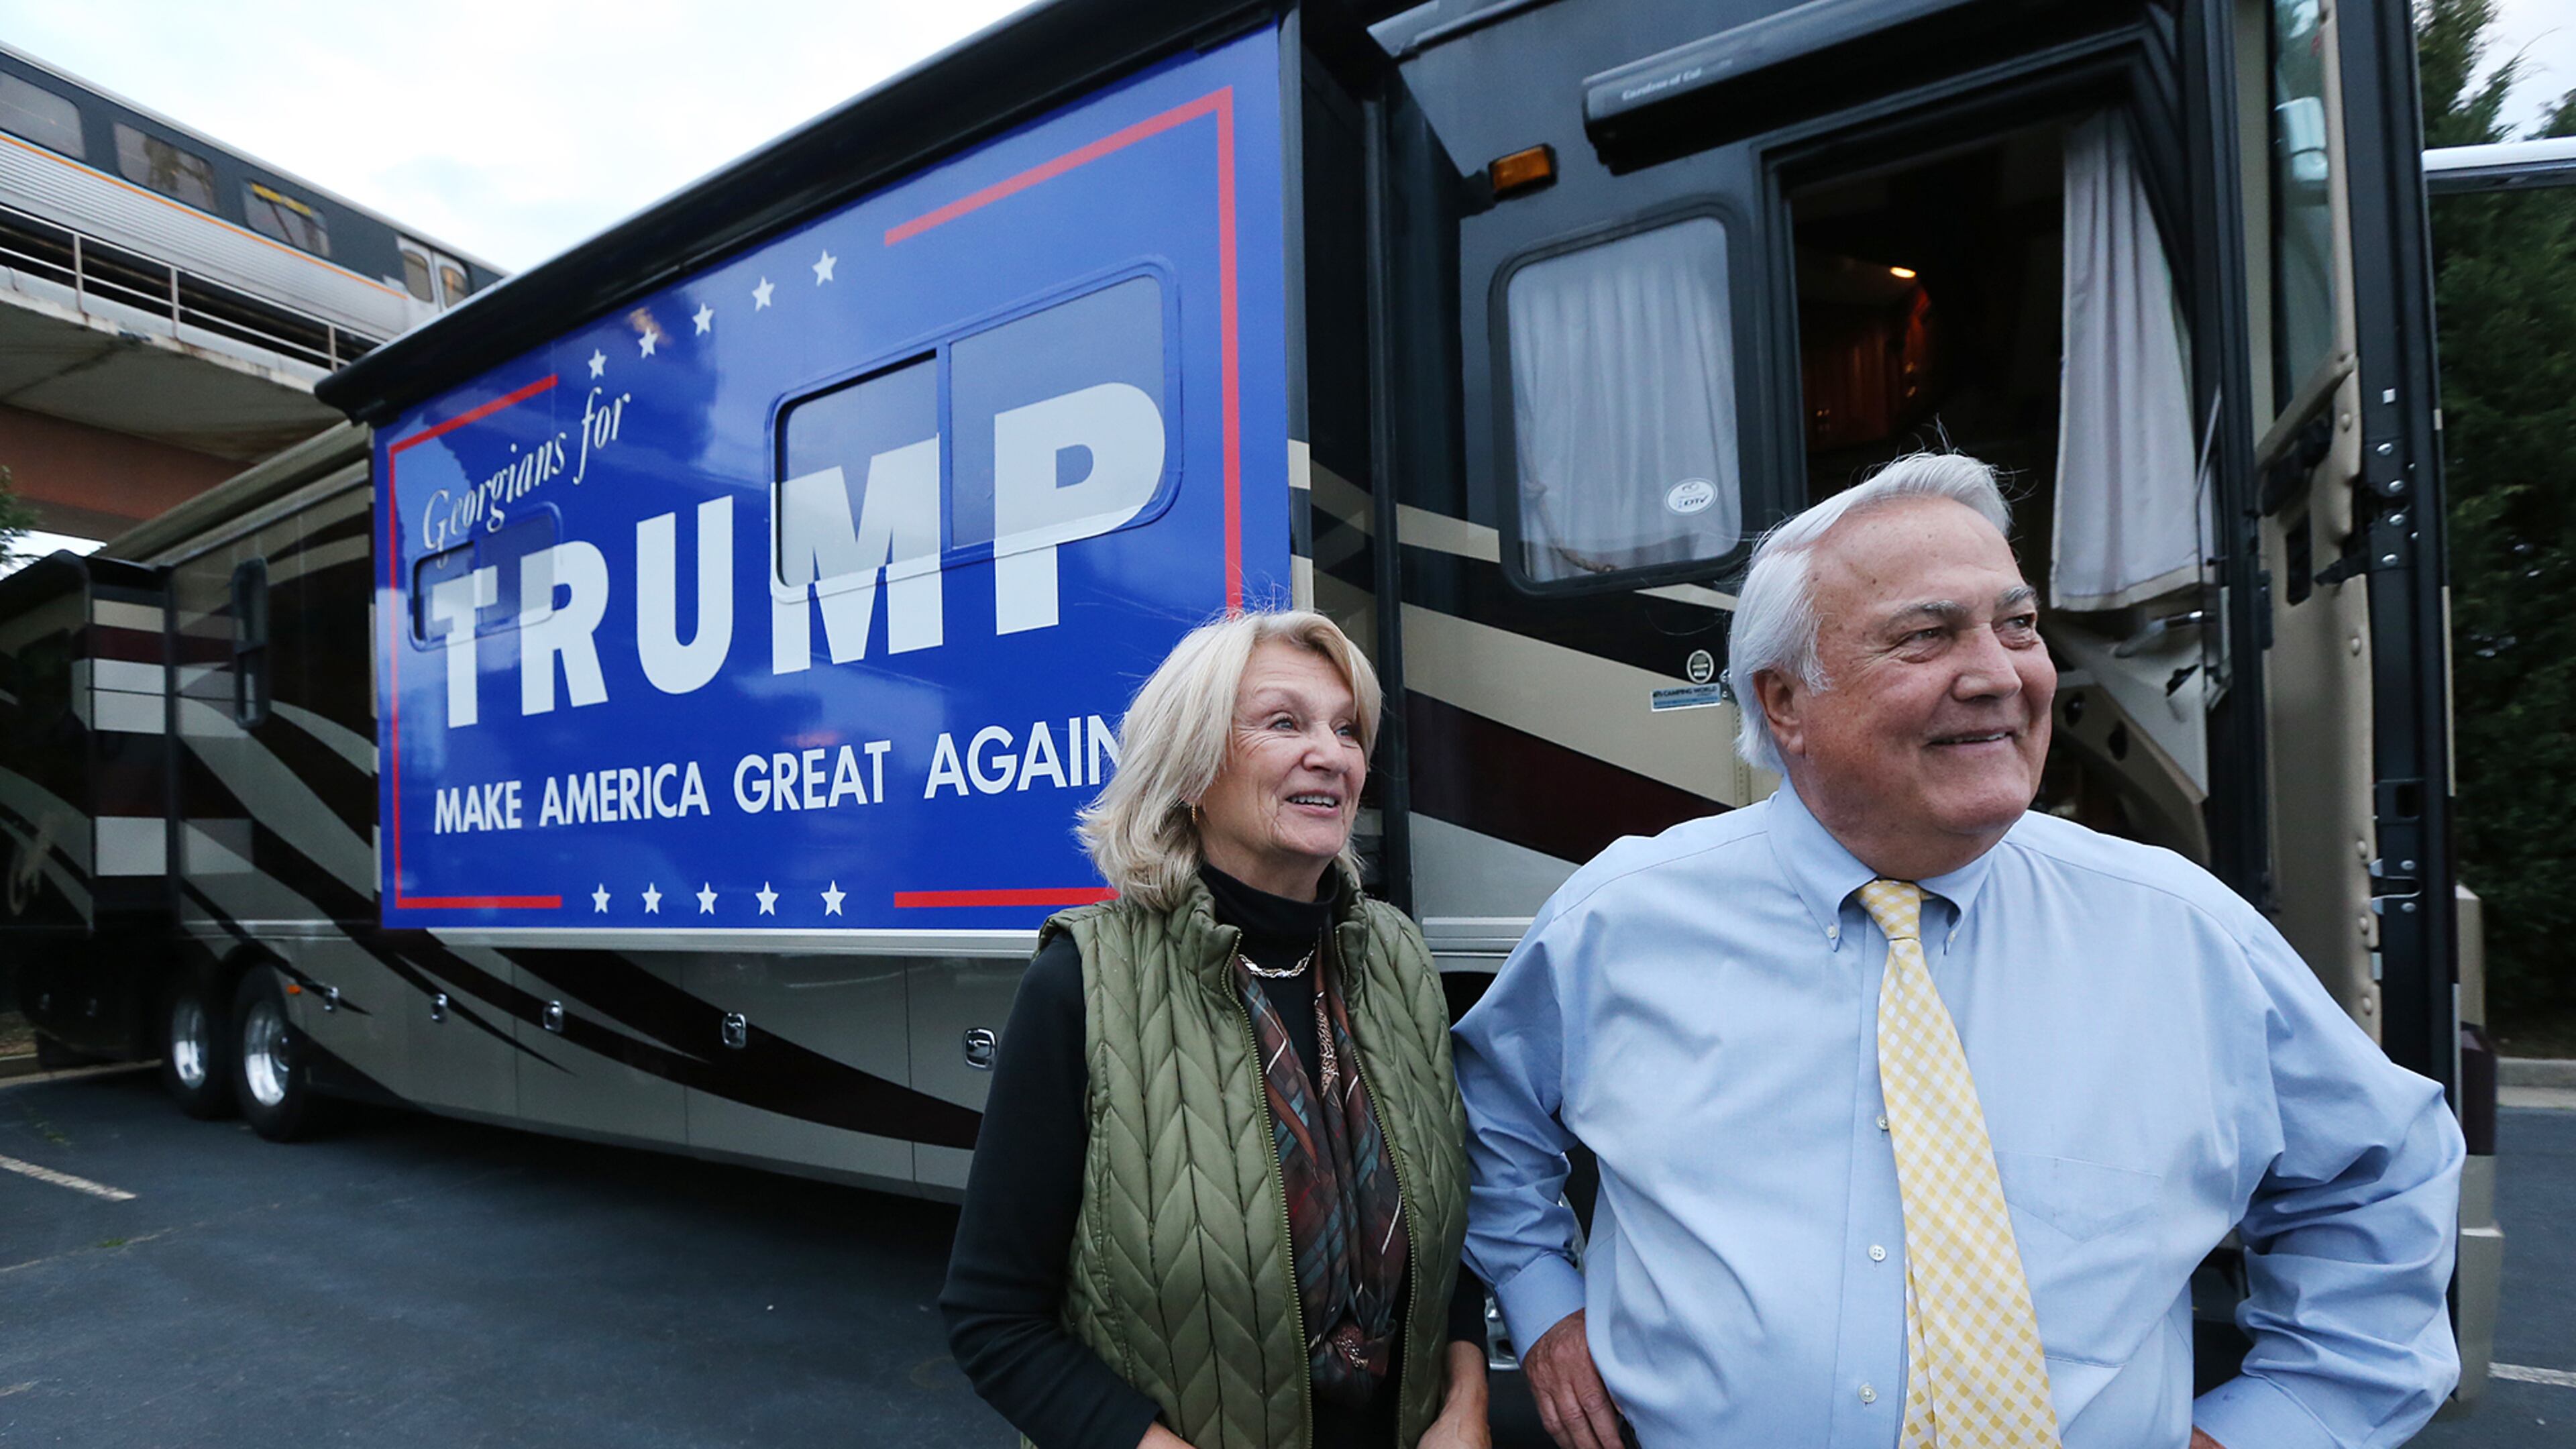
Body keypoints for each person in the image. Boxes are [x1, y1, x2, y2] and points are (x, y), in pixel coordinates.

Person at [1454, 453, 2464, 1449]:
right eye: (1926, 636)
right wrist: (1544, 1302)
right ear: (1785, 703)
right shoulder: (1624, 920)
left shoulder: (2182, 933)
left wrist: (2276, 1424)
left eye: (2017, 625)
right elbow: (1485, 1115)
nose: (1998, 675)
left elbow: (2381, 1169)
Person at [944, 610, 1491, 1449]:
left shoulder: (1396, 958)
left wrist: (1466, 1402)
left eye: (1348, 730)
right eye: (1285, 722)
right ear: (1193, 768)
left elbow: (1446, 1231)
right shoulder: (1082, 982)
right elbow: (994, 1320)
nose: (1333, 754)